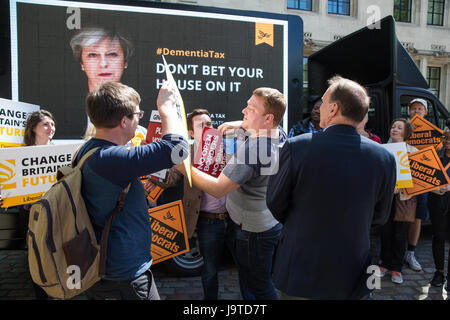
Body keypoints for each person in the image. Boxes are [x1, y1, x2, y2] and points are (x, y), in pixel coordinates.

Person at [266, 76, 396, 300]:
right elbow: (381, 216)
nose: (321, 107)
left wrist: (301, 224)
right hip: (353, 268)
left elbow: (275, 201)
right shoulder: (384, 157)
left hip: (302, 266)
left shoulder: (297, 147)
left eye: (324, 102)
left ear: (334, 108)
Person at [73, 81, 188, 300]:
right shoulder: (111, 158)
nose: (139, 120)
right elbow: (177, 149)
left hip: (106, 268)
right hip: (124, 276)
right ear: (124, 121)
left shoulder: (90, 150)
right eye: (138, 114)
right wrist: (166, 109)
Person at [176, 87, 287, 300]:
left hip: (253, 231)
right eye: (247, 105)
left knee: (259, 286)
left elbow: (219, 188)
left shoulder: (253, 149)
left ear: (268, 118)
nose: (244, 111)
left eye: (251, 109)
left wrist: (184, 167)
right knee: (254, 279)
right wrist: (241, 123)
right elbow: (268, 126)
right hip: (265, 221)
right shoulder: (275, 133)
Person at [145, 108, 231, 300]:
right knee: (210, 270)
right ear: (191, 133)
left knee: (244, 266)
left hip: (236, 220)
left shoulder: (228, 149)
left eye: (209, 124)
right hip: (209, 222)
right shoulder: (187, 154)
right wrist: (156, 176)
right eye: (202, 125)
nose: (208, 128)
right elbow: (172, 177)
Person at [20, 110, 56, 299]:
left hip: (55, 212)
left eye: (52, 124)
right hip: (31, 213)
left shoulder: (61, 153)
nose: (51, 128)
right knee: (36, 256)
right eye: (45, 124)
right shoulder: (19, 155)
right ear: (33, 128)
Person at [378, 118, 418, 284]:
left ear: (406, 132)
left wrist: (402, 188)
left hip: (404, 199)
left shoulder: (413, 151)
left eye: (399, 127)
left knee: (400, 233)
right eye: (393, 126)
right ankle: (384, 264)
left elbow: (419, 180)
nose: (394, 129)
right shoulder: (381, 149)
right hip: (386, 198)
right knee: (385, 231)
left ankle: (396, 268)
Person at [405, 98, 429, 272]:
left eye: (420, 108)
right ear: (409, 111)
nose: (416, 111)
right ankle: (397, 251)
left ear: (425, 112)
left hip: (423, 180)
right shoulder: (401, 127)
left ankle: (410, 252)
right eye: (413, 108)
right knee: (400, 215)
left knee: (418, 217)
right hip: (405, 178)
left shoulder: (432, 133)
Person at [428, 125, 450, 288]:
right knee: (439, 236)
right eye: (445, 138)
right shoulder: (435, 155)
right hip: (438, 201)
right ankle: (439, 272)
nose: (447, 141)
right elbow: (426, 178)